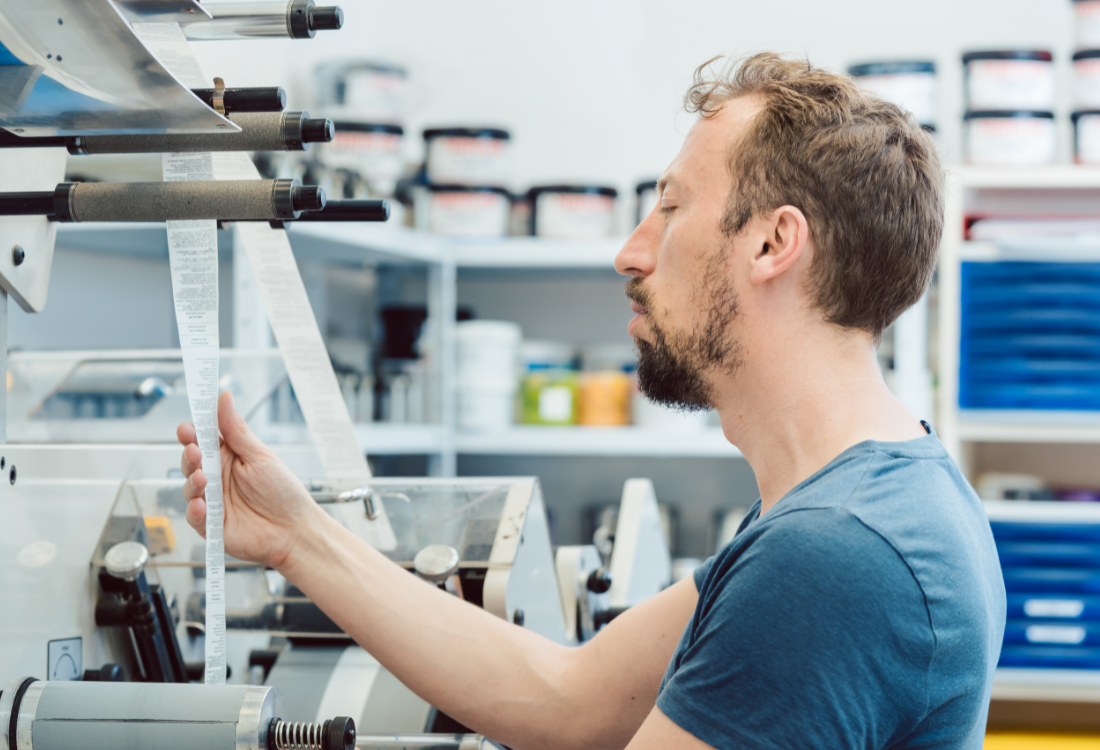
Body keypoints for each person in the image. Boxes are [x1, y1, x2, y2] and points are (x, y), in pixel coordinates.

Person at [178, 53, 1006, 750]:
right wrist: (298, 535)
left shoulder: (834, 557)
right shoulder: (860, 500)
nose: (630, 251)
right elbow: (568, 694)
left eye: (671, 206)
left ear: (771, 243)